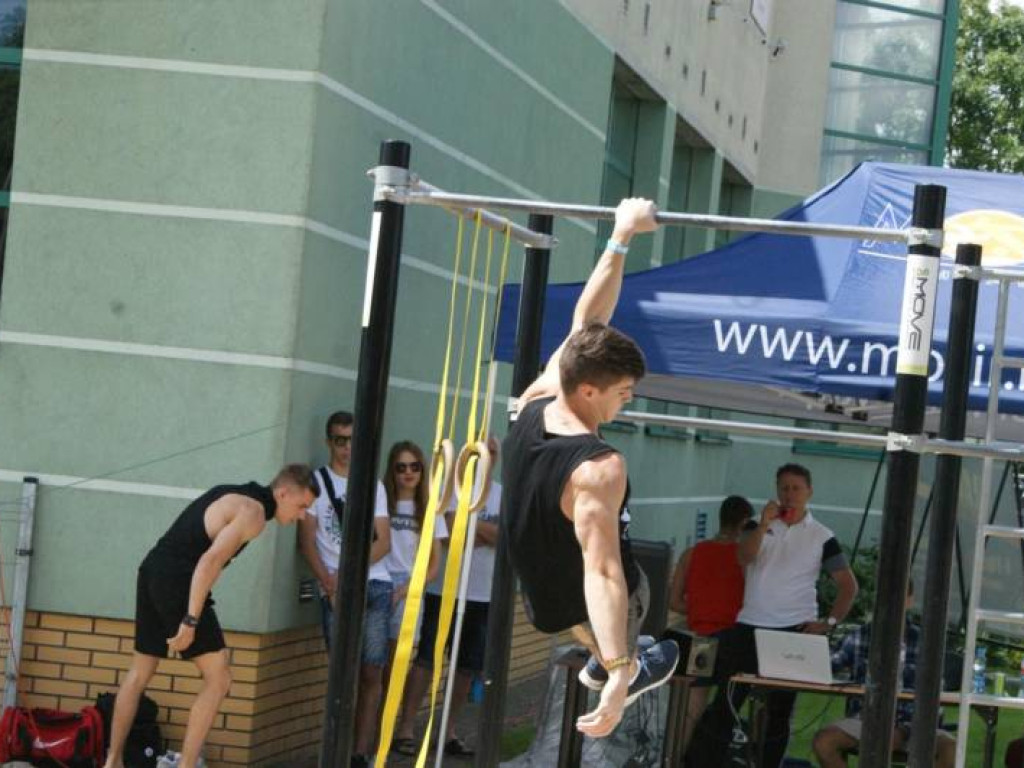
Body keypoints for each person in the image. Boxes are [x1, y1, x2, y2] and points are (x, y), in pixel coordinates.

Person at [502, 197, 680, 740]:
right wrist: (622, 674)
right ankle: (614, 658)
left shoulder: (537, 397)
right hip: (590, 602)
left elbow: (590, 320)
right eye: (622, 393)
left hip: (539, 595)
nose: (626, 403)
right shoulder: (598, 467)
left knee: (597, 572)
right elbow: (602, 574)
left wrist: (621, 235)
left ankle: (603, 653)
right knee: (636, 583)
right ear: (587, 388)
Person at [100, 465, 318, 768]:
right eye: (301, 506)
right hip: (179, 581)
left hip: (152, 570)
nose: (302, 516)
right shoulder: (253, 513)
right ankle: (186, 765)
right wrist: (190, 620)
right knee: (219, 678)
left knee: (139, 672)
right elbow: (209, 561)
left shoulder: (235, 492)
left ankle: (112, 761)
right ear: (283, 493)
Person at [685, 463, 859, 768]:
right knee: (726, 701)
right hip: (750, 624)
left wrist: (828, 623)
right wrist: (765, 524)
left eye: (796, 488)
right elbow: (743, 558)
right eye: (784, 488)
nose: (789, 495)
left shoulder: (821, 535)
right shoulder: (756, 525)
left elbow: (848, 585)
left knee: (778, 712)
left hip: (794, 628)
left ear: (809, 492)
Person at [393, 436, 502, 758]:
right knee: (426, 659)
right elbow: (447, 532)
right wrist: (477, 531)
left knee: (467, 667)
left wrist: (471, 525)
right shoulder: (450, 490)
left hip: (483, 594)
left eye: (493, 452)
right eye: (482, 452)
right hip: (444, 591)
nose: (487, 458)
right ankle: (405, 729)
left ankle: (448, 731)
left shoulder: (502, 494)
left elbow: (504, 537)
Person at [297, 410, 392, 768]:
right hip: (333, 587)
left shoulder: (372, 484)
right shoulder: (317, 483)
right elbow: (306, 542)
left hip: (374, 585)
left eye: (353, 440)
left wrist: (349, 574)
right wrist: (329, 582)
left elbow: (383, 542)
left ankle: (359, 755)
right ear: (329, 442)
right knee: (343, 672)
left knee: (371, 672)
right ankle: (335, 751)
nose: (347, 448)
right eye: (340, 440)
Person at [812, 579, 956, 768]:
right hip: (865, 720)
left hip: (917, 725)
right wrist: (808, 647)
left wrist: (903, 730)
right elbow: (828, 665)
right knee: (824, 742)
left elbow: (935, 698)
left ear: (910, 600)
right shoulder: (860, 635)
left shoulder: (927, 641)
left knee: (950, 747)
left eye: (899, 596)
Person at [668, 494, 754, 750]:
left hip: (700, 637)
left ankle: (675, 756)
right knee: (728, 707)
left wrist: (699, 611)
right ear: (744, 523)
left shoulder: (692, 554)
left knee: (691, 706)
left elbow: (674, 601)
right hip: (734, 637)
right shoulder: (745, 559)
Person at [380, 440, 446, 687]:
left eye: (414, 467)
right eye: (401, 467)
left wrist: (405, 590)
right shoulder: (382, 503)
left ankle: (385, 723)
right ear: (392, 471)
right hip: (379, 582)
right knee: (374, 664)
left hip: (410, 588)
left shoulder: (431, 510)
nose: (408, 472)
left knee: (396, 665)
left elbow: (434, 566)